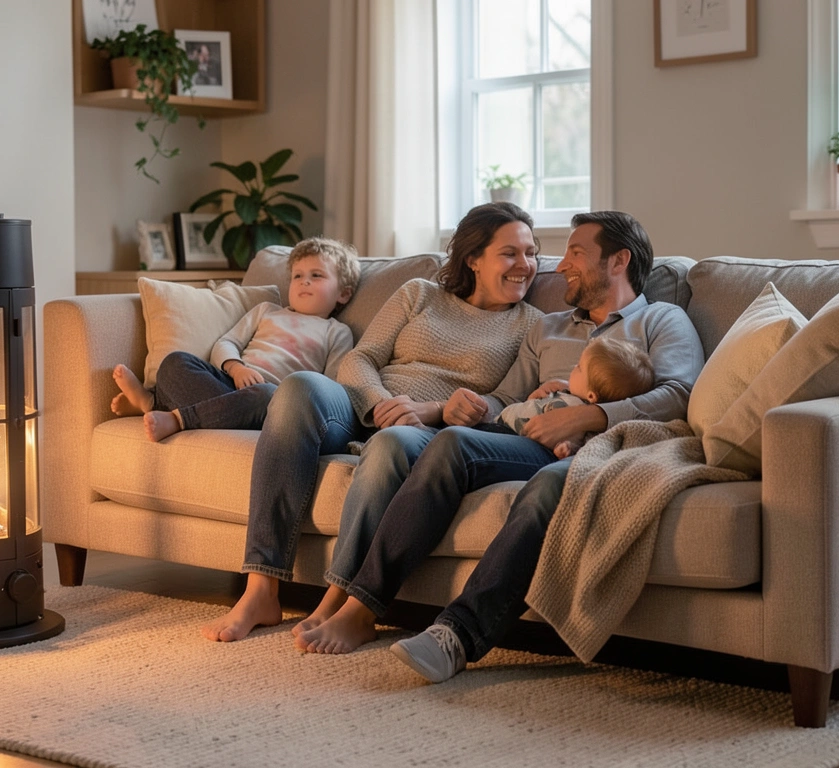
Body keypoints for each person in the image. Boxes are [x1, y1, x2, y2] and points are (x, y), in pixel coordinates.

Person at [294, 211, 703, 657]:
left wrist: (588, 417)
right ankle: (362, 606)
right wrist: (458, 407)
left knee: (546, 484)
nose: (561, 264)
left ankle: (456, 633)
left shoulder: (662, 319)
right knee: (453, 442)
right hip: (531, 443)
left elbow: (679, 394)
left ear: (619, 261)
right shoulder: (548, 327)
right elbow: (506, 399)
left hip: (600, 449)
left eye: (576, 253)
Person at [200, 202, 545, 643]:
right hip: (364, 406)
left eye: (531, 253)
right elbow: (361, 358)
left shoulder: (533, 324)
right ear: (474, 259)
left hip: (424, 433)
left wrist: (433, 410)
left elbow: (507, 402)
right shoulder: (419, 293)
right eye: (510, 253)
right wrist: (381, 403)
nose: (525, 265)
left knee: (392, 442)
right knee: (300, 386)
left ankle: (339, 600)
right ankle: (260, 588)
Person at [110, 238, 360, 442]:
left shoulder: (336, 332)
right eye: (298, 276)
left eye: (316, 275)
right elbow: (226, 343)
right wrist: (236, 367)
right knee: (176, 361)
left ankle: (177, 417)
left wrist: (293, 400)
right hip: (229, 382)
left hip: (272, 402)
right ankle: (153, 402)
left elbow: (331, 389)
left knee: (264, 394)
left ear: (343, 294)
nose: (305, 281)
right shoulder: (267, 310)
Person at [495, 336, 654, 459]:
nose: (573, 367)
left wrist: (566, 448)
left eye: (579, 367)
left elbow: (584, 446)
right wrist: (534, 398)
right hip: (501, 424)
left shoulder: (584, 422)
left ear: (591, 395)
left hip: (513, 436)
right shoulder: (564, 392)